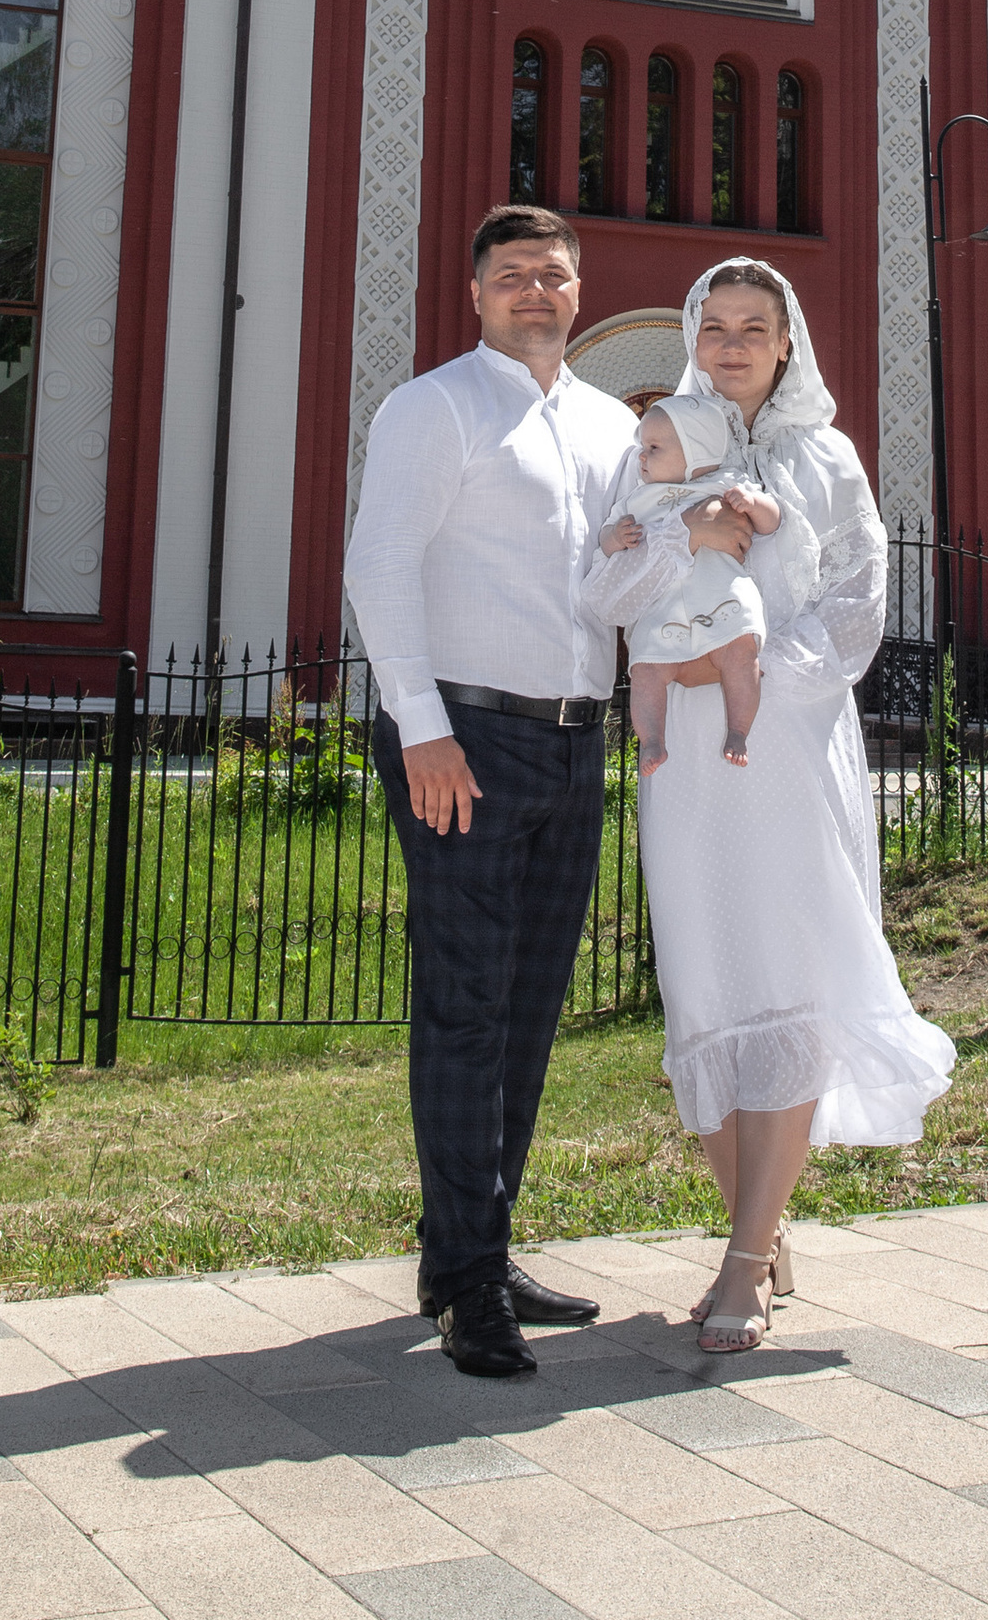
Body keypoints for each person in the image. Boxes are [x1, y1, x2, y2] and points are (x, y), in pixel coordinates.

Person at [342, 205, 756, 1379]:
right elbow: (377, 566)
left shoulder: (602, 427)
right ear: (476, 293)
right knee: (466, 1006)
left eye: (554, 276)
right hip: (461, 738)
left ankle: (475, 1245)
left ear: (580, 296)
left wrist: (685, 543)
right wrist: (420, 732)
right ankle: (467, 1287)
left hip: (572, 745)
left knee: (528, 1010)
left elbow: (611, 595)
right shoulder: (434, 407)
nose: (536, 291)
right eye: (514, 275)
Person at [576, 259, 954, 1354]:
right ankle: (762, 1222)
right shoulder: (652, 449)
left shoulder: (826, 459)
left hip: (783, 739)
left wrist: (737, 667)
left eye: (756, 327)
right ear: (691, 338)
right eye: (716, 326)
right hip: (681, 763)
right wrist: (676, 537)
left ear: (788, 343)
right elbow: (599, 592)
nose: (734, 345)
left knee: (787, 980)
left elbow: (857, 611)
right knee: (706, 988)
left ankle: (745, 1261)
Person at [603, 391, 787, 769]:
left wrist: (754, 505)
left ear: (696, 453)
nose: (641, 456)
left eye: (654, 447)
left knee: (741, 655)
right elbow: (607, 540)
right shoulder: (638, 500)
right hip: (663, 611)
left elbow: (773, 521)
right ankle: (652, 739)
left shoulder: (726, 484)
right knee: (646, 670)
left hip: (723, 601)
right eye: (642, 446)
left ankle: (738, 729)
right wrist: (614, 538)